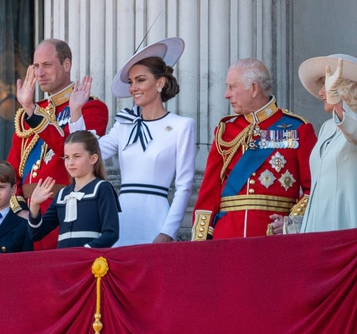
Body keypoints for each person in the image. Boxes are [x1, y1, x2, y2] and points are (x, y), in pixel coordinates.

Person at [69, 38, 196, 246]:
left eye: (140, 80)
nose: (133, 88)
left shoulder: (182, 126)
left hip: (157, 220)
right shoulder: (124, 124)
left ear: (160, 83)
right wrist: (76, 111)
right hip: (122, 219)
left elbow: (184, 186)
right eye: (131, 82)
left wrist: (168, 231)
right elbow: (88, 152)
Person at [191, 58, 317, 240]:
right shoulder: (225, 131)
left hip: (273, 237)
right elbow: (208, 193)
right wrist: (201, 241)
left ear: (254, 89)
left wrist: (292, 222)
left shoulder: (297, 128)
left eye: (232, 87)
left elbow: (314, 187)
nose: (226, 94)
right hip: (226, 237)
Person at [6, 38, 109, 249]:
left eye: (47, 65)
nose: (40, 73)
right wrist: (20, 209)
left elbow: (71, 152)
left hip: (64, 215)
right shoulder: (28, 112)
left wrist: (32, 112)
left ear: (67, 65)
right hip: (26, 218)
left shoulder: (92, 108)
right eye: (36, 66)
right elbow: (11, 170)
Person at [271, 54, 357, 234]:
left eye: (326, 85)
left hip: (347, 229)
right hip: (322, 235)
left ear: (344, 87)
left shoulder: (350, 125)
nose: (321, 92)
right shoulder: (327, 127)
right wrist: (293, 225)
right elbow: (321, 196)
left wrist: (339, 106)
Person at [28, 131, 120, 248]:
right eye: (67, 157)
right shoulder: (62, 194)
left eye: (77, 156)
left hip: (91, 261)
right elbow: (36, 234)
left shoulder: (102, 188)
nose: (70, 163)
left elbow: (111, 234)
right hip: (64, 261)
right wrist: (35, 205)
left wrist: (84, 252)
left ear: (93, 159)